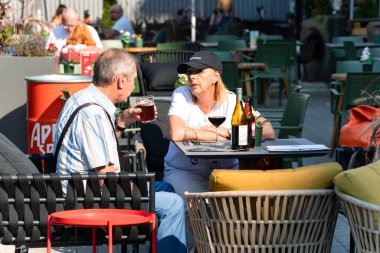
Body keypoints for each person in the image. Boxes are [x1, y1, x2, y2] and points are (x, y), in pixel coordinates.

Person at [54, 48, 187, 253]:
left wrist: (122, 122)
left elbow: (97, 151)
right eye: (133, 79)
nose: (133, 86)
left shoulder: (82, 100)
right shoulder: (93, 114)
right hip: (89, 200)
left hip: (84, 190)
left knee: (165, 188)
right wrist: (137, 190)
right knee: (173, 204)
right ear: (120, 80)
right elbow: (106, 178)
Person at [164, 51, 275, 199]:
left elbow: (268, 130)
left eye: (200, 71)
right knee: (198, 205)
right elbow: (176, 133)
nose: (192, 76)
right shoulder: (182, 94)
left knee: (240, 205)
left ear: (215, 76)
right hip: (186, 171)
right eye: (190, 72)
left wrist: (230, 132)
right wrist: (215, 134)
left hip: (225, 171)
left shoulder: (230, 100)